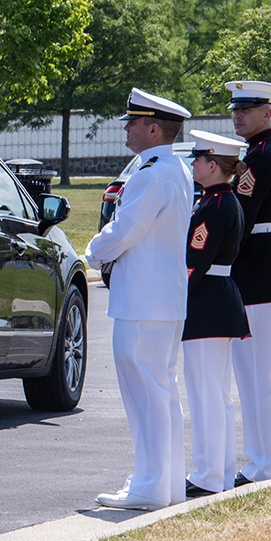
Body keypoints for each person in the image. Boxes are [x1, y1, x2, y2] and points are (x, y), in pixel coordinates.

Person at [86, 88, 194, 511]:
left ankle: (149, 485)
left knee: (144, 393)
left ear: (153, 128)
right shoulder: (177, 169)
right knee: (161, 391)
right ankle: (164, 483)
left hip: (143, 302)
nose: (127, 128)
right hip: (164, 300)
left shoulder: (150, 174)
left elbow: (122, 231)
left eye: (132, 121)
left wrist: (91, 250)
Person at [226, 81, 271, 487]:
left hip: (260, 271)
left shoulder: (260, 157)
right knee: (267, 373)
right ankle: (268, 458)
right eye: (236, 108)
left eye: (248, 108)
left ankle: (266, 464)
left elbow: (241, 216)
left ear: (267, 111)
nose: (238, 114)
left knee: (260, 375)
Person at [181, 130, 250, 498]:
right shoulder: (222, 201)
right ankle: (219, 471)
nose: (193, 164)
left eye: (197, 159)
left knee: (206, 392)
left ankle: (208, 475)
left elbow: (194, 266)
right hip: (220, 301)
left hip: (207, 305)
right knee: (217, 393)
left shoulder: (213, 207)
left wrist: (172, 297)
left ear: (211, 165)